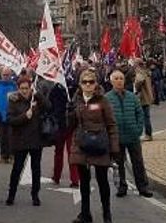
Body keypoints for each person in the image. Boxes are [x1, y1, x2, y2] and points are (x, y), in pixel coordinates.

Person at [68, 69, 119, 223]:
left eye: (91, 81)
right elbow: (70, 126)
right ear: (80, 84)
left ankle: (107, 213)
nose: (88, 84)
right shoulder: (75, 100)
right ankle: (85, 214)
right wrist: (69, 113)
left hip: (99, 144)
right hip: (81, 144)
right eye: (85, 82)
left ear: (96, 83)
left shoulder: (102, 101)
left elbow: (111, 125)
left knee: (102, 180)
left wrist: (114, 148)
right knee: (84, 181)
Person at [104, 70, 153, 198]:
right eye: (116, 78)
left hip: (132, 136)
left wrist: (138, 129)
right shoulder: (107, 98)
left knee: (138, 162)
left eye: (121, 78)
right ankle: (121, 186)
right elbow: (105, 118)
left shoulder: (132, 97)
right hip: (117, 137)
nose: (119, 81)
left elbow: (140, 113)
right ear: (111, 81)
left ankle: (143, 187)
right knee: (118, 163)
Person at [5, 76, 51, 207]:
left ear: (31, 87)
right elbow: (10, 120)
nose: (24, 91)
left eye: (27, 88)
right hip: (20, 140)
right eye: (22, 88)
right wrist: (24, 116)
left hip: (36, 140)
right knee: (17, 169)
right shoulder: (14, 100)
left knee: (36, 169)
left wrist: (39, 96)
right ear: (18, 89)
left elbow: (49, 106)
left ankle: (35, 195)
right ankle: (11, 194)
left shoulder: (36, 98)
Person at [49, 81, 80, 187]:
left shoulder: (55, 89)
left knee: (59, 152)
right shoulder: (75, 88)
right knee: (70, 152)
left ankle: (57, 177)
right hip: (69, 124)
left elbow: (51, 106)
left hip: (61, 125)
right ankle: (74, 179)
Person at [133, 59, 154, 141]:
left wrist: (136, 87)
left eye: (135, 63)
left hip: (142, 97)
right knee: (146, 116)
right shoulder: (146, 72)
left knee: (143, 117)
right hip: (147, 96)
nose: (133, 65)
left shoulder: (140, 72)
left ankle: (147, 134)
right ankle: (148, 134)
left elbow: (139, 81)